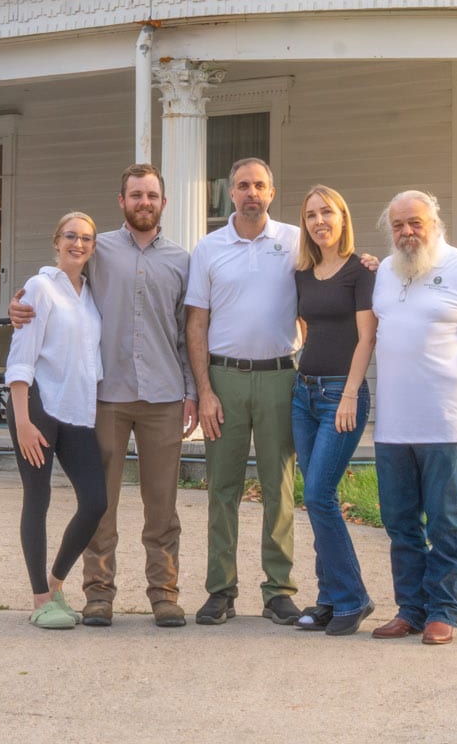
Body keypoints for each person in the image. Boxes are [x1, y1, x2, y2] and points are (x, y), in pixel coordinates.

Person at [10, 164, 197, 628]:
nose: (144, 202)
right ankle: (98, 594)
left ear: (163, 203)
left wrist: (192, 391)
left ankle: (164, 593)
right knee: (102, 505)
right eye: (135, 195)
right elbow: (54, 282)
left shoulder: (181, 260)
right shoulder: (98, 249)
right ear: (122, 201)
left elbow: (186, 332)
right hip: (107, 398)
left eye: (151, 195)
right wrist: (17, 306)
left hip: (163, 395)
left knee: (162, 504)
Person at [367, 190, 457, 647]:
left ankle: (443, 611)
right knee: (399, 520)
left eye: (415, 223)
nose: (407, 232)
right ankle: (410, 609)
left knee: (445, 519)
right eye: (398, 225)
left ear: (435, 223)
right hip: (392, 425)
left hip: (445, 423)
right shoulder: (386, 272)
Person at [186, 157, 304, 626]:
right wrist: (205, 390)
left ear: (271, 192)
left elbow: (329, 280)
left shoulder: (296, 241)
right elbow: (196, 323)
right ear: (229, 193)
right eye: (242, 186)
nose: (251, 192)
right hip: (225, 380)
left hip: (280, 376)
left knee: (280, 488)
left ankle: (279, 591)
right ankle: (221, 590)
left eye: (259, 185)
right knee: (223, 489)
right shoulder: (209, 248)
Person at [5, 211, 108, 630]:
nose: (78, 244)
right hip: (38, 409)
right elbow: (21, 358)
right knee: (39, 498)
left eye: (85, 238)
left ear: (93, 247)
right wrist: (23, 421)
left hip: (77, 412)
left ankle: (56, 583)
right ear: (56, 241)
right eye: (70, 236)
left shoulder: (90, 293)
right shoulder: (39, 288)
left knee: (95, 501)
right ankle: (39, 599)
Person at [288, 185, 377, 635]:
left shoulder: (362, 270)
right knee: (316, 498)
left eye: (327, 212)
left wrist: (350, 394)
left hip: (341, 394)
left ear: (342, 217)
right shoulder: (303, 272)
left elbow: (367, 337)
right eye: (310, 215)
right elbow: (307, 326)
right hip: (303, 394)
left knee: (318, 495)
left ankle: (353, 598)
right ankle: (328, 598)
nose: (319, 221)